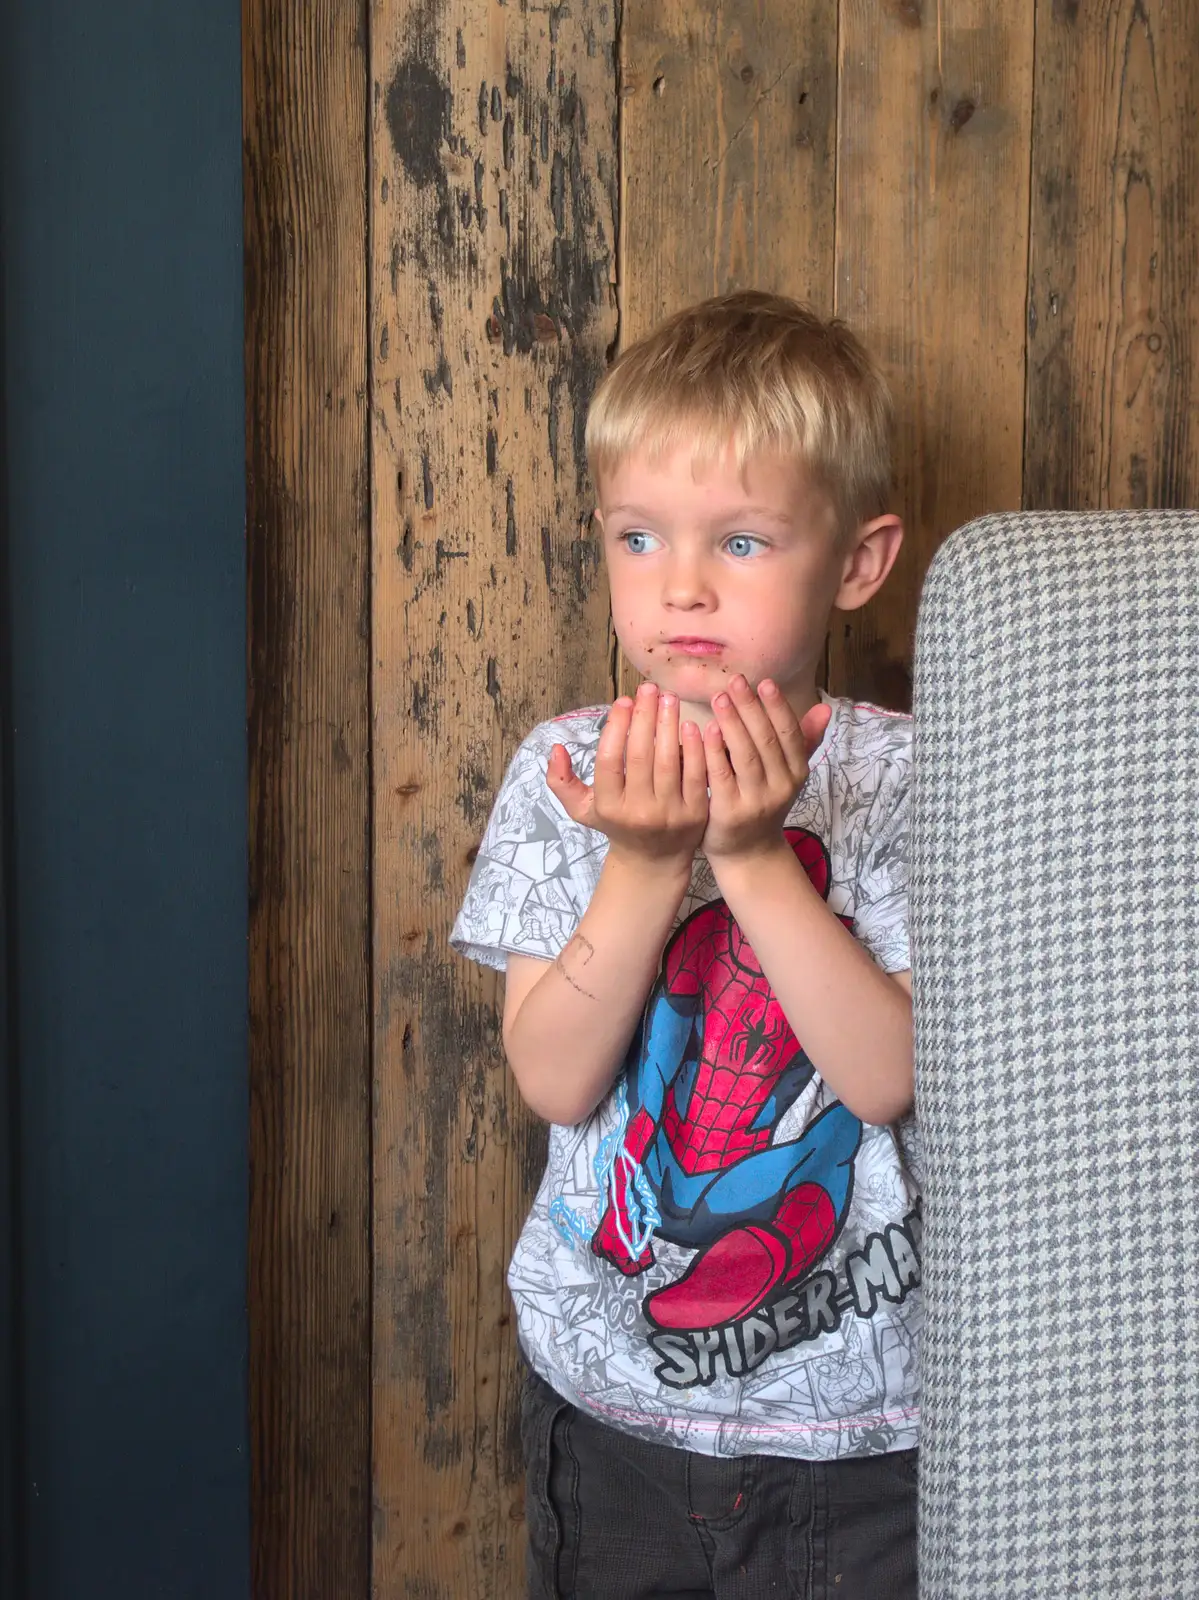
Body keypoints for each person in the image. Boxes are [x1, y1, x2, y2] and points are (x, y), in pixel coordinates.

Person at [451, 291, 921, 1600]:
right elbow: (554, 1080)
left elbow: (886, 1078)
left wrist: (753, 856)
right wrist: (647, 861)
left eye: (744, 541)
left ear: (856, 562)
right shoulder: (561, 770)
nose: (681, 588)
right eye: (639, 537)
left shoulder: (911, 779)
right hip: (614, 1414)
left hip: (858, 1434)